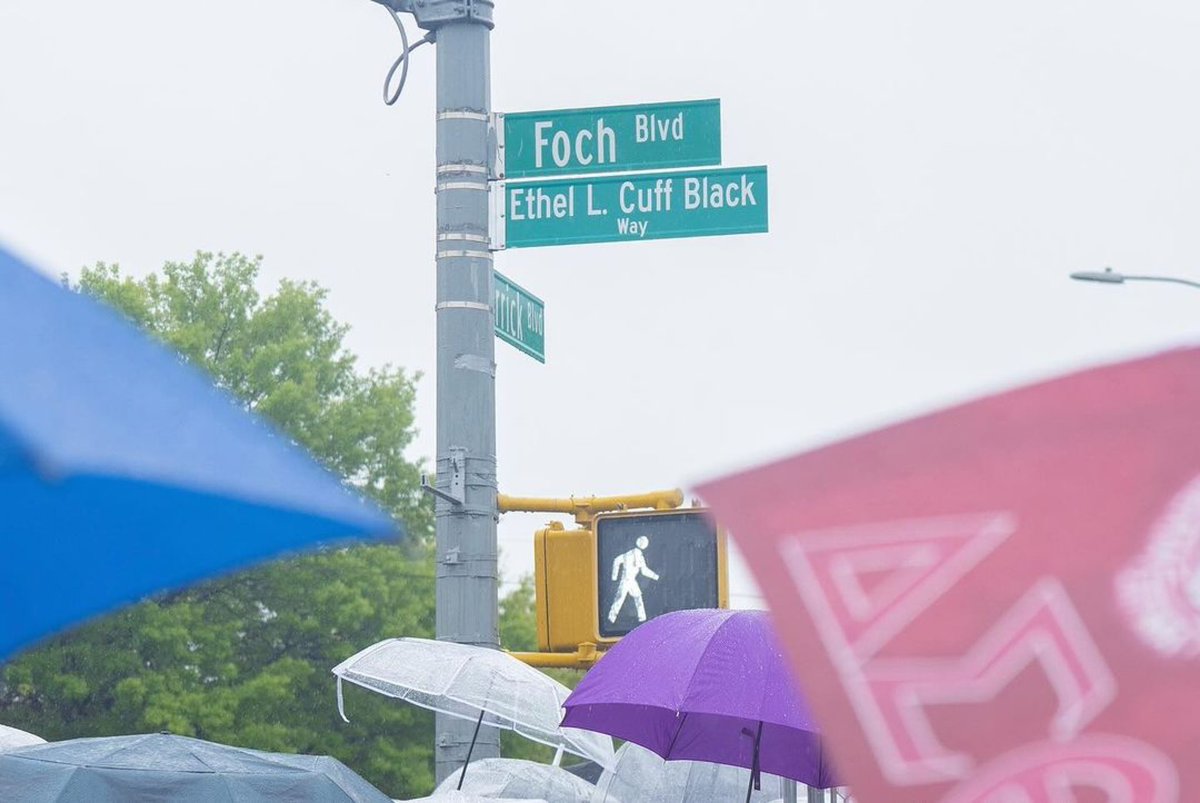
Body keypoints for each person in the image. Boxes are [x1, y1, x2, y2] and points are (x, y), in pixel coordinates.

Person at [607, 535, 659, 624]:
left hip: (631, 580)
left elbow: (616, 561)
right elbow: (644, 571)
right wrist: (656, 576)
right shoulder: (635, 555)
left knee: (637, 597)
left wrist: (614, 577)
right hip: (626, 580)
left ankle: (642, 619)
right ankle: (611, 619)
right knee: (620, 599)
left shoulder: (629, 554)